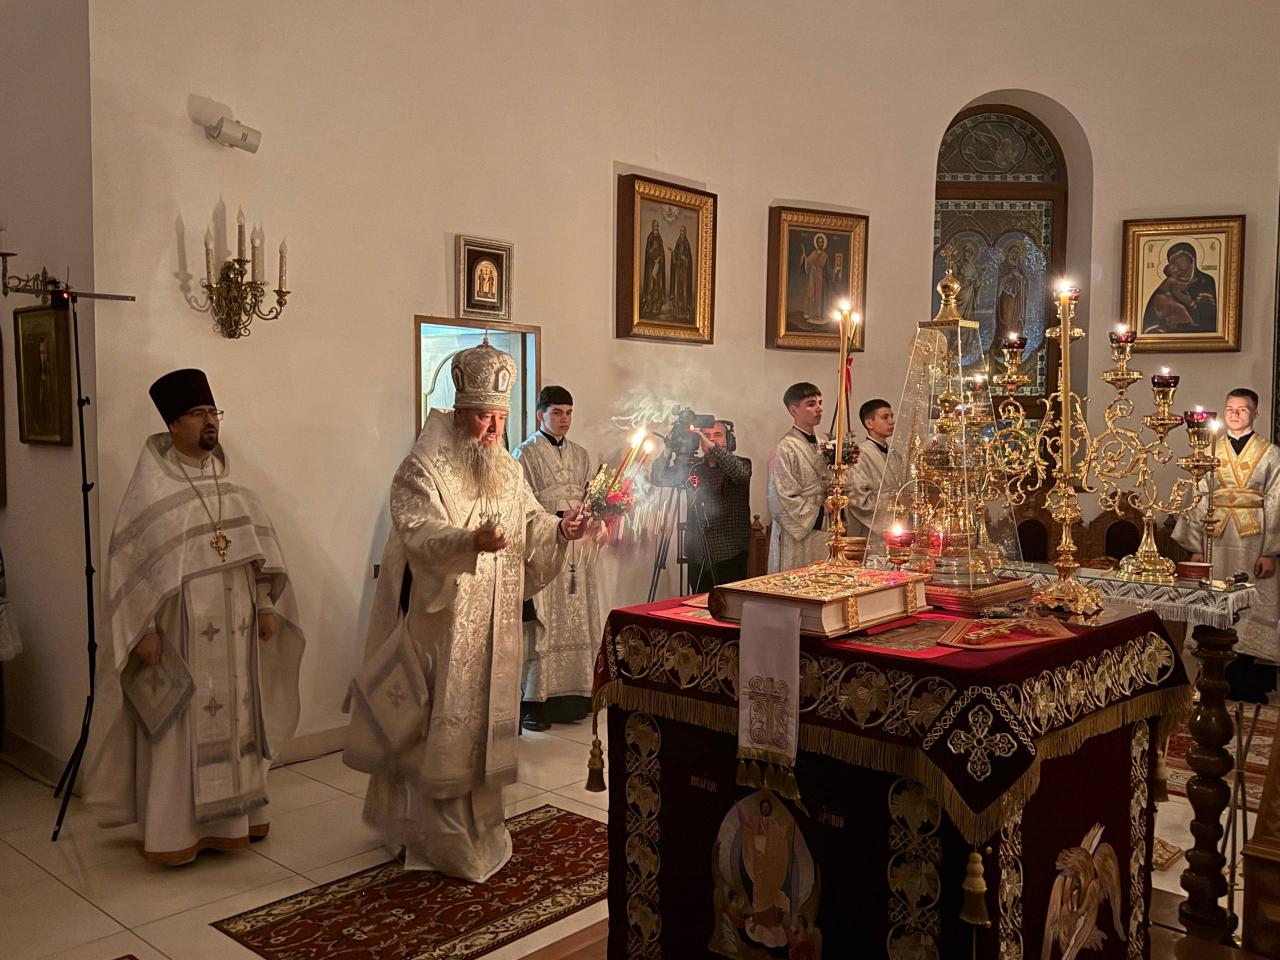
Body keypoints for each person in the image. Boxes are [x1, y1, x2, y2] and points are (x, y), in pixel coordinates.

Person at [345, 340, 591, 882]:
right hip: (444, 622)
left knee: (482, 725)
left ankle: (481, 825)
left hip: (496, 620)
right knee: (441, 723)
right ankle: (433, 835)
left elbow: (531, 521)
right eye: (484, 416)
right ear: (459, 413)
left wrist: (560, 529)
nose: (494, 428)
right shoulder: (423, 466)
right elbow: (416, 530)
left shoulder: (506, 468)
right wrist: (467, 541)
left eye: (500, 417)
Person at [85, 369, 305, 864]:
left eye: (213, 412)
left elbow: (256, 560)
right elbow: (130, 571)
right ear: (173, 424)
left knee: (239, 719)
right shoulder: (150, 495)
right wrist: (142, 629)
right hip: (178, 636)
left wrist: (265, 605)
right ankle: (174, 833)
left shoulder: (235, 489)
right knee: (179, 726)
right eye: (199, 414)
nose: (211, 422)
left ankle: (237, 822)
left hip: (237, 633)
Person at [1174, 387, 1280, 699]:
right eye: (1230, 408)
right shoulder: (1208, 451)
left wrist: (1271, 552)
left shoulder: (1271, 453)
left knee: (1251, 601)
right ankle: (1209, 674)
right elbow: (1199, 497)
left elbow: (1276, 502)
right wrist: (1195, 546)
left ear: (1256, 413)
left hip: (1253, 539)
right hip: (1214, 538)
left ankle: (1248, 681)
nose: (1235, 414)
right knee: (1211, 600)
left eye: (1242, 409)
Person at [513, 385, 601, 732]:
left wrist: (598, 513)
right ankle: (536, 701)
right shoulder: (524, 453)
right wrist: (560, 518)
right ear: (541, 415)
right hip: (546, 547)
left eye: (569, 412)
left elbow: (589, 496)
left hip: (578, 550)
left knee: (577, 617)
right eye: (557, 413)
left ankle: (575, 697)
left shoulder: (580, 454)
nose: (564, 419)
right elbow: (522, 506)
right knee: (544, 622)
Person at [768, 382, 850, 572]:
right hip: (801, 531)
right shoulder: (785, 447)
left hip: (825, 527)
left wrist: (836, 493)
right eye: (811, 404)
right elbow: (780, 498)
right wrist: (820, 511)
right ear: (794, 410)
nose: (819, 408)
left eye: (820, 402)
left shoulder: (824, 445)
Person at [686, 419, 752, 592]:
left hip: (729, 555)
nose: (711, 440)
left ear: (728, 440)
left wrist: (714, 448)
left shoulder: (742, 463)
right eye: (706, 436)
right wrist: (668, 450)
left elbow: (740, 474)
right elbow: (660, 477)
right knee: (696, 605)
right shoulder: (694, 469)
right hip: (698, 555)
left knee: (728, 605)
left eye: (717, 435)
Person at [1142, 241, 1218, 334]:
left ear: (1191, 258)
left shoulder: (1205, 281)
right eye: (1172, 260)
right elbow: (1152, 314)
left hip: (1197, 335)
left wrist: (1190, 302)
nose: (1175, 261)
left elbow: (1210, 319)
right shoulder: (1169, 282)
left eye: (1179, 257)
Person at [848, 399, 894, 537]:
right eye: (885, 417)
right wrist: (895, 502)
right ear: (869, 423)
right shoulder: (858, 454)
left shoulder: (896, 455)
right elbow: (857, 498)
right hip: (869, 529)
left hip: (895, 525)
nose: (891, 421)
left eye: (891, 416)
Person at [640, 219, 666, 319]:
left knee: (657, 286)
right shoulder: (650, 238)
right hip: (651, 267)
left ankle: (656, 307)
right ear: (652, 227)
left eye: (657, 226)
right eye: (655, 226)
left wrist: (660, 258)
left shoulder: (660, 238)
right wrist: (653, 250)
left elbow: (662, 252)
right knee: (650, 286)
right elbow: (648, 253)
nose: (656, 228)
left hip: (658, 266)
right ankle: (649, 306)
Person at [670, 224, 695, 323]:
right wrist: (673, 252)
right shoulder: (678, 242)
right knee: (677, 289)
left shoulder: (687, 244)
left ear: (685, 233)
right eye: (681, 231)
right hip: (678, 270)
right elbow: (675, 256)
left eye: (683, 231)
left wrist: (685, 259)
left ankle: (684, 309)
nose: (682, 233)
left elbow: (689, 258)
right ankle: (677, 308)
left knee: (684, 290)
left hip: (684, 271)